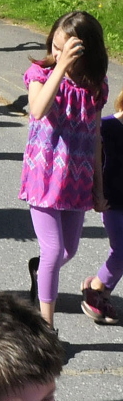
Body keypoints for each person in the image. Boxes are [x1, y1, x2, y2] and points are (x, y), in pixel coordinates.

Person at [19, 11, 108, 327]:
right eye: (55, 47)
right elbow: (38, 110)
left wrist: (98, 189)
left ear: (87, 51)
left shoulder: (95, 86)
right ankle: (45, 327)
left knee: (67, 252)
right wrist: (59, 66)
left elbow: (96, 136)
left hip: (77, 180)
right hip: (44, 176)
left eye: (65, 50)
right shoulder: (41, 73)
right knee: (55, 252)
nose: (56, 54)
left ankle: (40, 270)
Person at [80, 84, 123, 325]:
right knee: (121, 250)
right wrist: (94, 192)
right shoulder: (107, 127)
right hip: (112, 201)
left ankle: (102, 290)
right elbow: (92, 161)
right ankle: (95, 289)